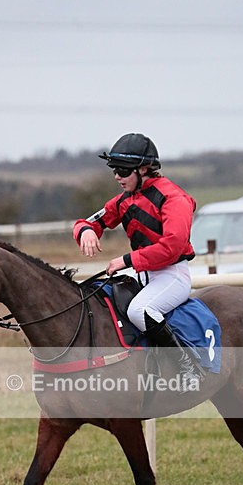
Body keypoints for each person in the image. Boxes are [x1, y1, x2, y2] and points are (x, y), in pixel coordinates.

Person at [73, 132, 201, 386]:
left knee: (139, 310)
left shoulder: (174, 199)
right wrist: (86, 231)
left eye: (122, 170)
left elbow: (173, 247)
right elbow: (87, 222)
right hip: (142, 276)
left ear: (144, 169)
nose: (117, 177)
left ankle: (188, 366)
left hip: (172, 275)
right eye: (114, 170)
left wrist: (127, 260)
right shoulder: (125, 200)